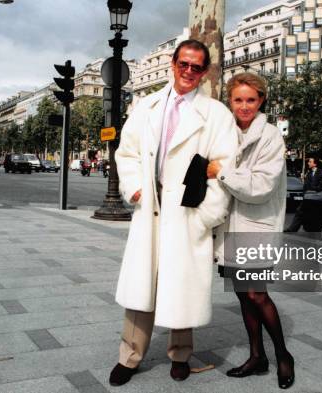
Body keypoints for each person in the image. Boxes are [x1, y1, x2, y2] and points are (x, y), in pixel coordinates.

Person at [110, 39, 238, 386]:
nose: (189, 72)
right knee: (141, 287)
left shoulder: (216, 114)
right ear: (173, 62)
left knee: (182, 285)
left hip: (187, 213)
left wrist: (205, 216)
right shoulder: (147, 106)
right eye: (184, 64)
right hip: (150, 208)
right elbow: (128, 153)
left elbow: (224, 168)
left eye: (197, 67)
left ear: (205, 71)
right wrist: (134, 188)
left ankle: (180, 355)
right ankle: (129, 356)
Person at [207, 72, 295, 389]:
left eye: (251, 100)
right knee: (244, 296)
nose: (244, 106)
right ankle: (257, 356)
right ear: (229, 102)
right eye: (238, 100)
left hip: (256, 228)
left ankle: (283, 355)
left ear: (261, 102)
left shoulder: (271, 136)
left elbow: (259, 187)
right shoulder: (226, 133)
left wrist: (221, 172)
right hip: (230, 226)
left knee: (257, 294)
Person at [284, 157, 322, 232]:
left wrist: (312, 189)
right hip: (307, 197)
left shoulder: (321, 173)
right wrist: (305, 194)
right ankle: (292, 229)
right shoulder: (309, 173)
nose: (308, 163)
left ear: (315, 164)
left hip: (316, 198)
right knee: (299, 211)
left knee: (313, 214)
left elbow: (321, 187)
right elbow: (305, 186)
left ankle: (312, 229)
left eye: (310, 162)